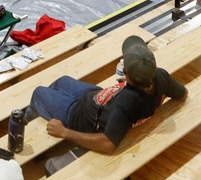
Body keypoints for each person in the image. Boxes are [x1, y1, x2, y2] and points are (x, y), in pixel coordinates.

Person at [25, 36, 187, 154]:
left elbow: (108, 144)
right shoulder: (160, 76)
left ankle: (28, 119)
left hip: (78, 117)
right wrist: (134, 84)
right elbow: (183, 94)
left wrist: (64, 132)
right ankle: (43, 110)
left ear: (126, 73)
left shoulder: (126, 103)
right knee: (62, 81)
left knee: (39, 93)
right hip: (94, 98)